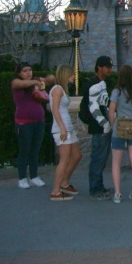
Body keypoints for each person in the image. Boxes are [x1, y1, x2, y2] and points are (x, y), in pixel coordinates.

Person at [109, 65, 132, 204]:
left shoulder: (116, 92)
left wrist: (114, 124)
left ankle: (117, 193)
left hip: (120, 127)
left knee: (116, 162)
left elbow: (111, 111)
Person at [12, 61, 48, 189]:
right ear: (19, 73)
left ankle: (34, 176)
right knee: (24, 150)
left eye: (30, 70)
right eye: (25, 70)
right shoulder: (16, 83)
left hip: (39, 121)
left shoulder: (36, 81)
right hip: (24, 123)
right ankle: (22, 178)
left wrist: (44, 80)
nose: (28, 72)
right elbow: (22, 84)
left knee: (35, 150)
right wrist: (36, 82)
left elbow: (51, 79)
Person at [49, 64, 82, 201]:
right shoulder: (57, 89)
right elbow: (54, 109)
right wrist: (62, 127)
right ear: (66, 74)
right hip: (62, 129)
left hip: (68, 128)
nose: (74, 77)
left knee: (77, 156)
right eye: (72, 74)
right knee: (64, 160)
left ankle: (64, 183)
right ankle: (56, 191)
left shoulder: (62, 89)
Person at [85, 56, 114, 201]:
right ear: (99, 67)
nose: (109, 69)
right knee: (98, 158)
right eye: (107, 66)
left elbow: (103, 105)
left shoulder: (101, 83)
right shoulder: (94, 83)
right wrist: (105, 124)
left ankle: (99, 186)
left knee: (101, 159)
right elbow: (93, 107)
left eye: (110, 67)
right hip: (99, 128)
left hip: (102, 127)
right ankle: (95, 189)